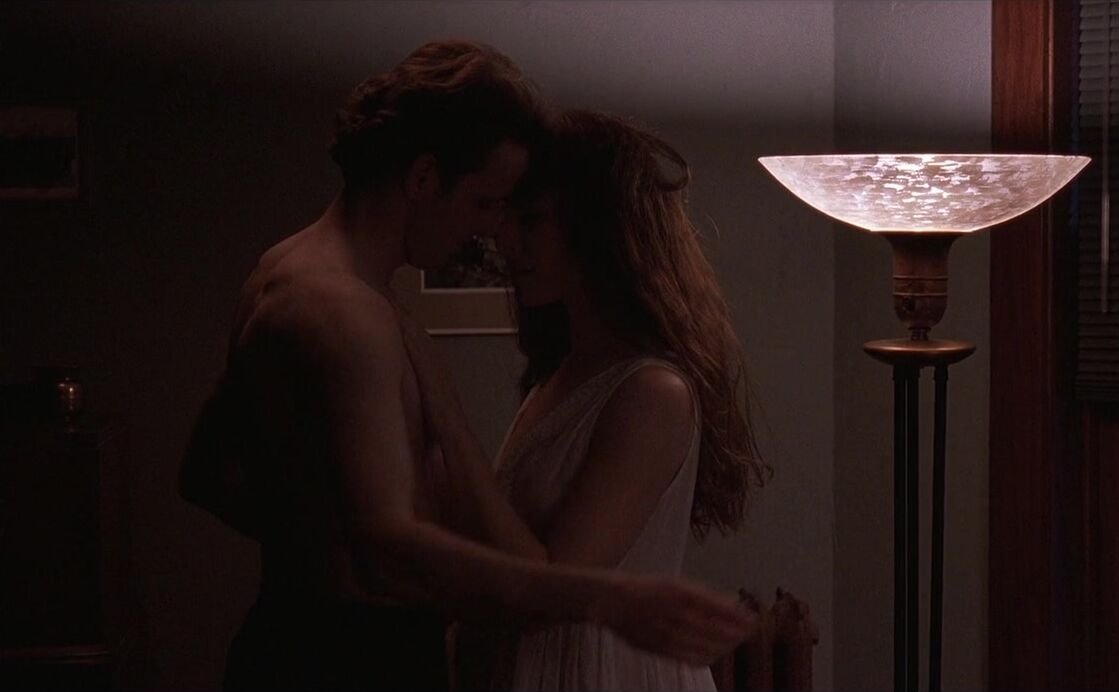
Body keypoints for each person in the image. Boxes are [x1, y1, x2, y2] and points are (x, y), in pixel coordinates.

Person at [178, 41, 754, 691]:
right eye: (485, 203)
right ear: (425, 179)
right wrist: (611, 600)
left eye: (516, 215)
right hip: (352, 651)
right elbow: (385, 539)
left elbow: (213, 475)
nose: (492, 234)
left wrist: (328, 546)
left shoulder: (283, 272)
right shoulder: (351, 314)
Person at [401, 108, 772, 691]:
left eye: (532, 219)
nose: (506, 242)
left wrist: (446, 415)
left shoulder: (651, 392)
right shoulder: (564, 375)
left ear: (597, 226)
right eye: (506, 218)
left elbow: (555, 585)